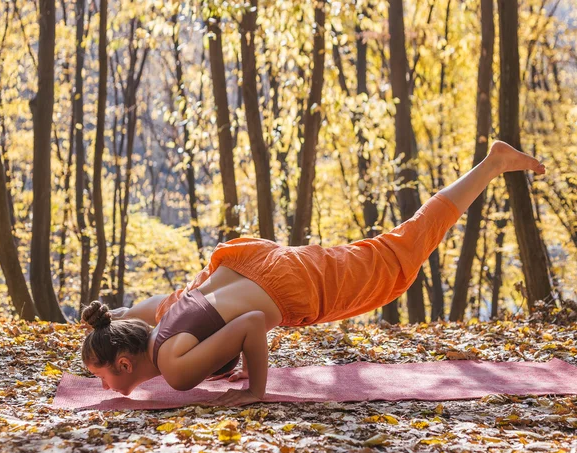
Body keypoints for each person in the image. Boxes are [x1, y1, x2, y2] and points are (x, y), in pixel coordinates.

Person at [80, 141, 546, 407]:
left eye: (99, 377)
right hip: (243, 262)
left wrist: (255, 392)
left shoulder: (175, 370)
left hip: (286, 287)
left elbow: (250, 325)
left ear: (125, 363)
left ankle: (493, 163)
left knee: (396, 259)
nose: (100, 386)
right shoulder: (154, 325)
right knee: (390, 256)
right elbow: (132, 314)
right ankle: (491, 165)